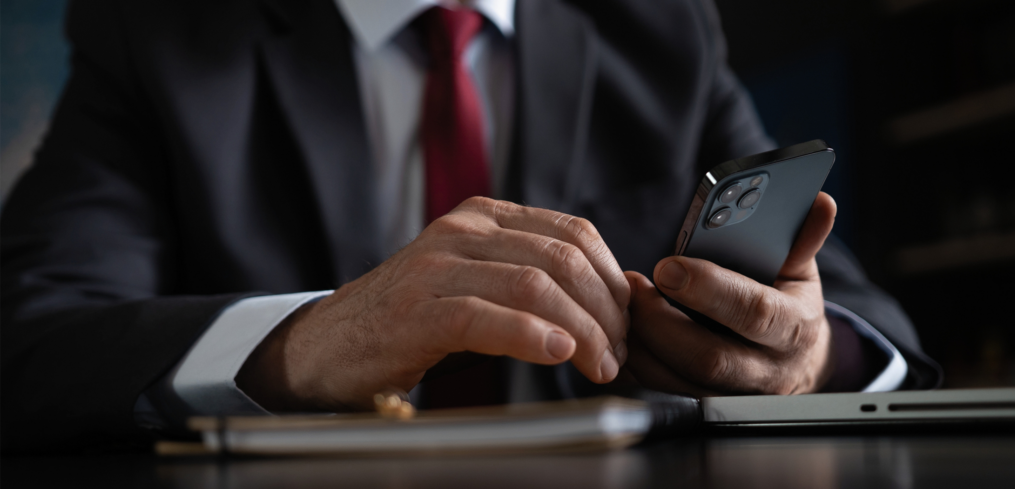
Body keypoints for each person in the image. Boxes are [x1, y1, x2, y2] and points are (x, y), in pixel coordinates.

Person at [0, 0, 940, 453]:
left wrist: (803, 357)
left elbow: (867, 327)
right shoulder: (157, 32)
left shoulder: (660, 29)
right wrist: (317, 340)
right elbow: (33, 337)